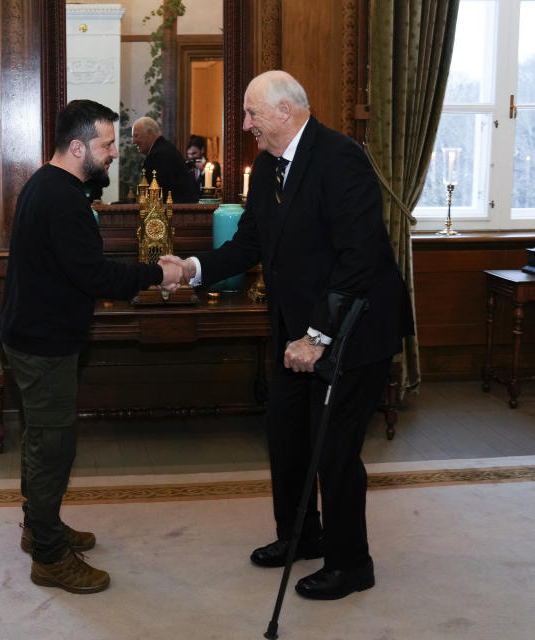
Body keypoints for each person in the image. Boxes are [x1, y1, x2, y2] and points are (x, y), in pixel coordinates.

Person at [161, 70, 414, 601]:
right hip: (299, 332)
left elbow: (357, 259)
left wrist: (317, 337)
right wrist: (190, 267)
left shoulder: (339, 157)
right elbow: (249, 242)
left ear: (286, 111)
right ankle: (301, 536)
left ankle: (352, 565)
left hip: (354, 329)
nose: (246, 124)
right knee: (286, 434)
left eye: (252, 113)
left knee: (335, 448)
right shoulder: (272, 165)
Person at [0, 99, 182, 595]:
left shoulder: (50, 185)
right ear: (78, 147)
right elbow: (95, 275)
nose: (112, 155)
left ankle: (41, 528)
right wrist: (158, 273)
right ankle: (50, 558)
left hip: (35, 335)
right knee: (53, 445)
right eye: (105, 145)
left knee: (43, 439)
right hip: (43, 343)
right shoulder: (62, 198)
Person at [131, 116, 198, 203]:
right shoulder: (166, 148)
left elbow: (153, 199)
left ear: (150, 133)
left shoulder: (157, 155)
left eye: (136, 135)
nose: (133, 141)